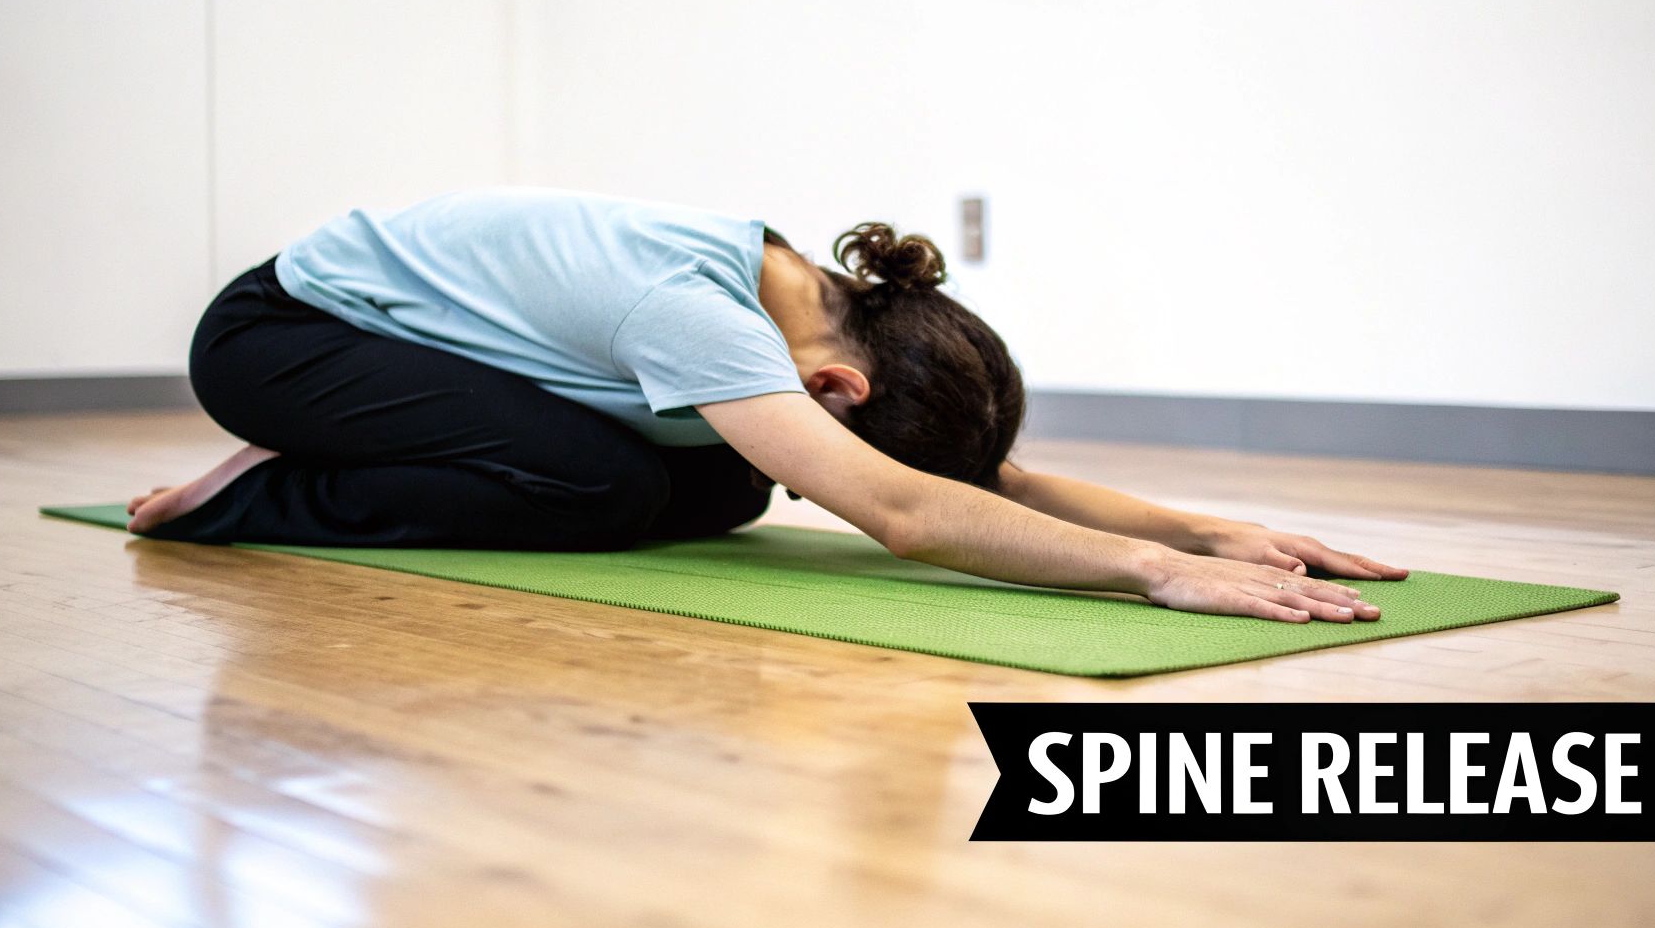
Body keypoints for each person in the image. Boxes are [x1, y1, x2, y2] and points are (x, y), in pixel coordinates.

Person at [127, 187, 1407, 624]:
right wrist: (1149, 575)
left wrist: (1204, 529)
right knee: (606, 488)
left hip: (423, 350)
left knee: (727, 479)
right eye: (832, 434)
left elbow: (982, 483)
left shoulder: (808, 301)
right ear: (840, 387)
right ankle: (265, 491)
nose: (814, 468)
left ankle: (349, 449)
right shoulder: (696, 313)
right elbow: (907, 510)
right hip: (286, 341)